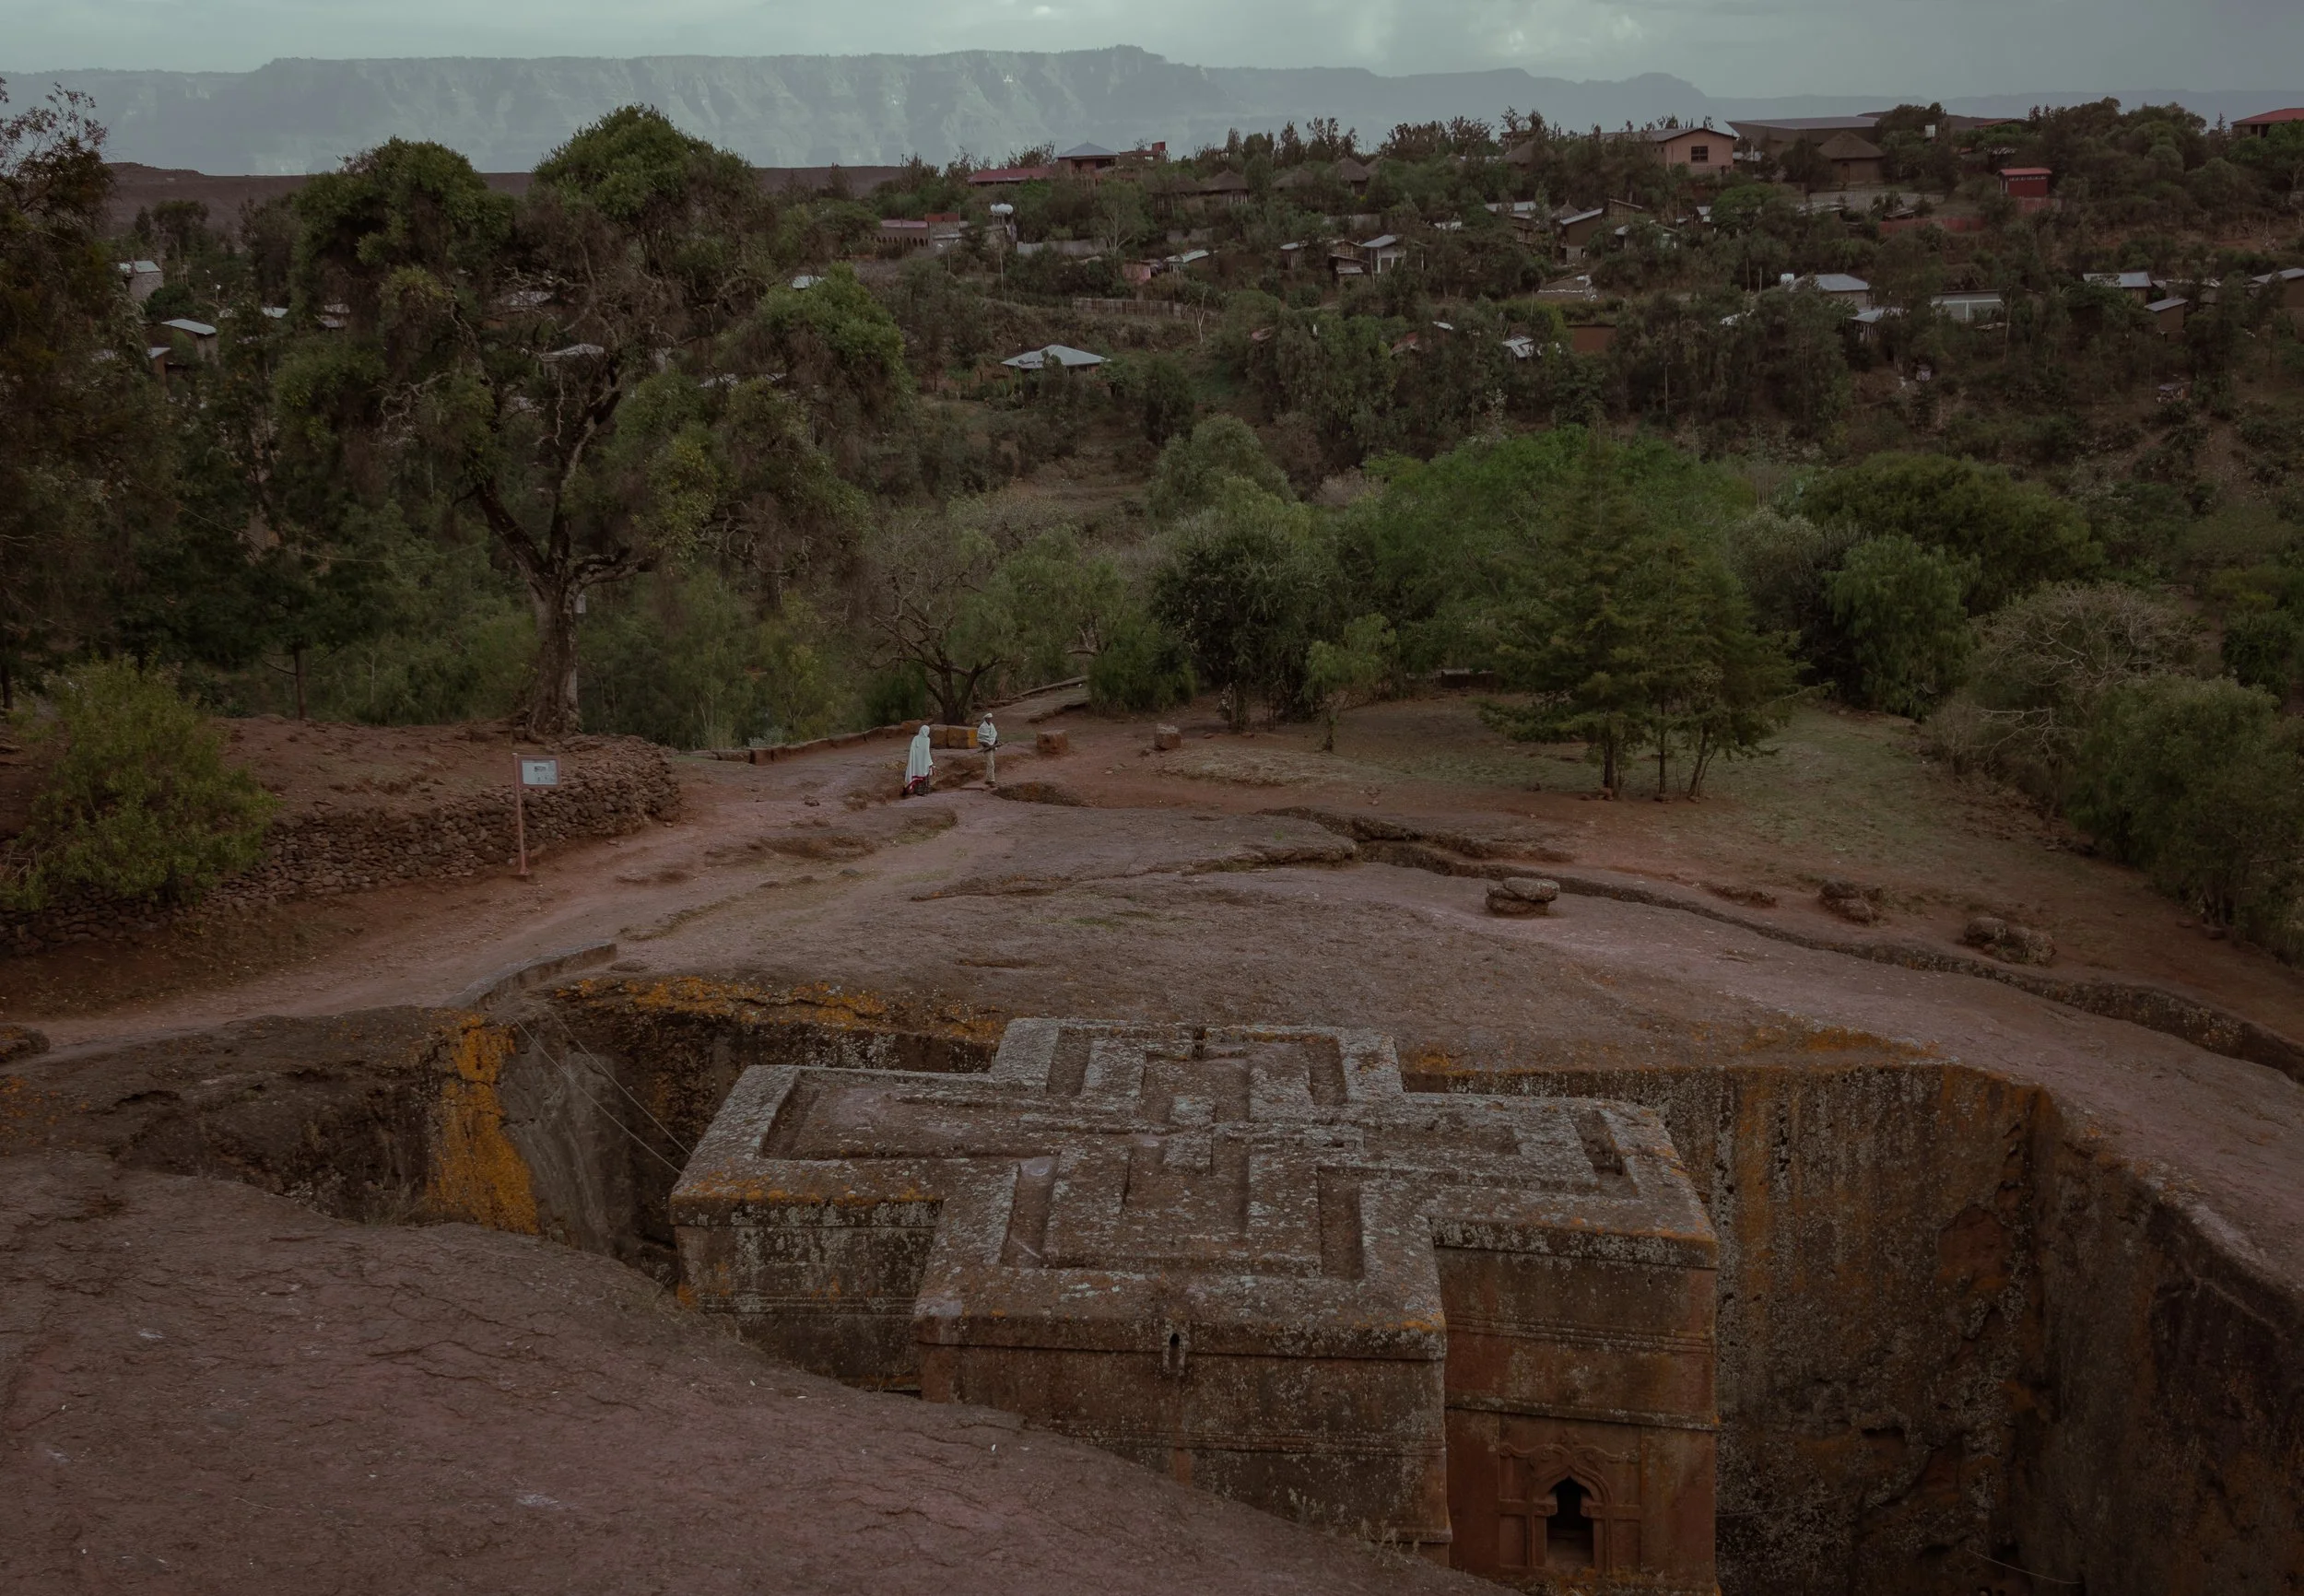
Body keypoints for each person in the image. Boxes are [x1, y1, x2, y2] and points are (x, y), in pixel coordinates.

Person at [903, 722, 934, 797]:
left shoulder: (916, 738)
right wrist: (930, 762)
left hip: (917, 761)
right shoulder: (926, 740)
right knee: (924, 776)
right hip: (923, 761)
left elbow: (914, 751)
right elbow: (926, 751)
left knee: (918, 774)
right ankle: (924, 791)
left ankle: (919, 791)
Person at [977, 713, 999, 789]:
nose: (990, 719)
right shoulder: (982, 727)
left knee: (990, 763)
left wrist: (996, 742)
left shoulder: (991, 725)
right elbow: (981, 739)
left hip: (992, 747)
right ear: (985, 719)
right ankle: (992, 780)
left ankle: (988, 779)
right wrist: (989, 746)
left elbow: (994, 734)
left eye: (991, 718)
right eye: (989, 718)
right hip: (987, 748)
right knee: (991, 764)